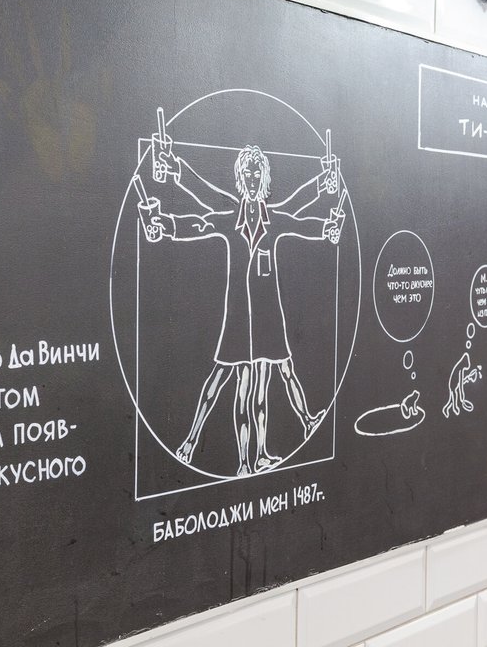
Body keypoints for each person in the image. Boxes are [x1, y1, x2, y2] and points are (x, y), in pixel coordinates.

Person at [139, 144, 341, 475]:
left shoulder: (273, 219)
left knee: (258, 385)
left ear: (264, 178)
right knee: (232, 381)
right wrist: (167, 216)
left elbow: (298, 215)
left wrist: (325, 223)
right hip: (238, 321)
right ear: (239, 177)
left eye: (257, 172)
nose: (252, 178)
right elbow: (201, 214)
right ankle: (209, 448)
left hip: (266, 317)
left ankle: (255, 457)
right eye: (247, 172)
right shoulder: (229, 217)